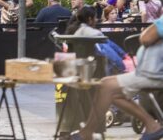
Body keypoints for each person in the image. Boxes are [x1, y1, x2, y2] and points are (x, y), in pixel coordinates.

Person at [70, 8, 163, 140]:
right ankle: (151, 125)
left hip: (154, 73)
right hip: (150, 71)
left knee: (106, 87)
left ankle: (87, 133)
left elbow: (146, 37)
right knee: (108, 89)